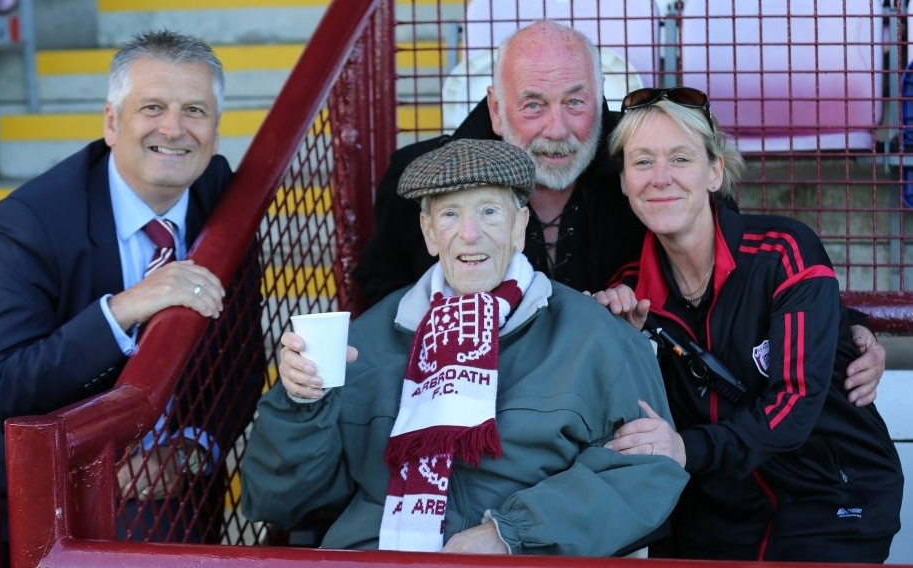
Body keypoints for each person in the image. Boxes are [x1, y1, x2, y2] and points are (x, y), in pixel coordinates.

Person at [352, 19, 885, 408]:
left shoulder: (646, 168)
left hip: (624, 410)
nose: (558, 130)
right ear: (496, 109)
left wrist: (848, 328)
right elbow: (382, 289)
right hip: (474, 402)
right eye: (533, 104)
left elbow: (734, 261)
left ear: (601, 100)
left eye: (576, 103)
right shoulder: (421, 178)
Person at [241, 138, 689, 556]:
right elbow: (277, 502)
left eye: (490, 212)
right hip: (379, 557)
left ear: (519, 226)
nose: (470, 234)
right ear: (429, 233)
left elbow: (644, 476)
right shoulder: (369, 338)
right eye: (450, 215)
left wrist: (508, 535)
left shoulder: (593, 333)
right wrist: (301, 404)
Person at [0, 29, 263, 562]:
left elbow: (241, 358)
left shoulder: (223, 196)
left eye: (194, 111)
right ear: (111, 122)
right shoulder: (28, 221)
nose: (173, 130)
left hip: (168, 486)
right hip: (35, 492)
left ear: (216, 133)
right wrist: (125, 308)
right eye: (152, 107)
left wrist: (191, 449)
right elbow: (1, 389)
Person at [597, 86, 903, 562]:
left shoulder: (784, 250)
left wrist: (686, 449)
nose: (659, 178)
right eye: (641, 162)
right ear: (623, 181)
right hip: (715, 513)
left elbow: (795, 404)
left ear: (715, 171)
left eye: (680, 159)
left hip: (830, 499)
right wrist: (620, 336)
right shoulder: (625, 293)